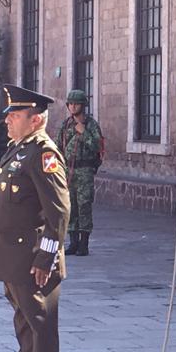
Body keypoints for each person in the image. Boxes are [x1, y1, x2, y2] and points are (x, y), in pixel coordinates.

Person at [0, 84, 71, 352]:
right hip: (15, 262)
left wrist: (45, 260)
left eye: (14, 116)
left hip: (34, 264)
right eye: (9, 116)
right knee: (26, 329)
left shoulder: (42, 153)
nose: (8, 122)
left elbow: (58, 212)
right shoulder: (18, 150)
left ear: (36, 120)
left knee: (41, 331)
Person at [57, 89, 104, 256]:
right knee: (70, 206)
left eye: (76, 104)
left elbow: (97, 147)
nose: (72, 106)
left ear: (83, 105)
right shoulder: (65, 125)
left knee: (84, 205)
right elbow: (58, 147)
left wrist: (83, 132)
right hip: (68, 170)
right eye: (70, 104)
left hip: (84, 170)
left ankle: (84, 243)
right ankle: (73, 242)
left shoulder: (91, 125)